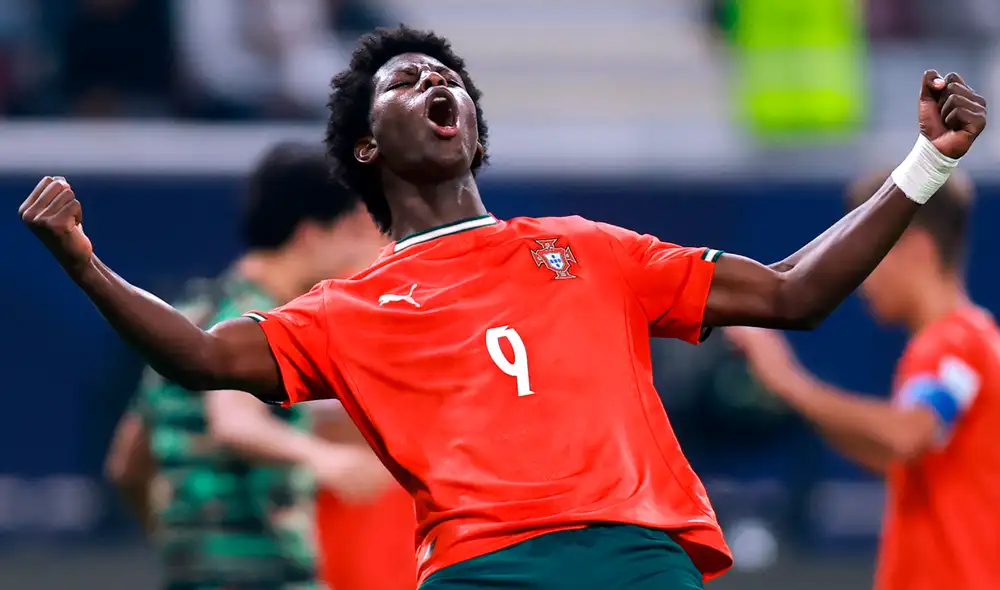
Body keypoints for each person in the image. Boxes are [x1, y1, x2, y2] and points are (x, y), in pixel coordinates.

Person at [19, 25, 987, 590]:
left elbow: (791, 291)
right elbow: (197, 356)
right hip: (487, 572)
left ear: (472, 126)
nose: (436, 81)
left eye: (448, 79)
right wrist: (85, 262)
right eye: (404, 81)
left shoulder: (593, 248)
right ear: (365, 147)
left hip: (634, 557)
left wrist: (927, 162)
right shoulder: (351, 306)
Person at [103, 141, 391, 590]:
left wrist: (180, 541)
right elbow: (234, 422)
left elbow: (126, 463)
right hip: (269, 572)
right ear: (311, 235)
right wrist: (325, 459)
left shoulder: (189, 316)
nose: (360, 247)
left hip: (195, 574)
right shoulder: (255, 324)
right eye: (350, 230)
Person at [727, 170, 1000, 590]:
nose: (857, 277)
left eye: (870, 253)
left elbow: (907, 434)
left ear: (916, 250)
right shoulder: (966, 342)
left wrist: (788, 380)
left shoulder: (954, 343)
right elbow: (891, 455)